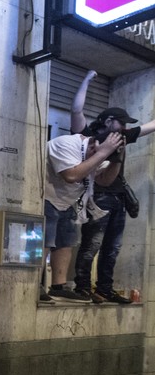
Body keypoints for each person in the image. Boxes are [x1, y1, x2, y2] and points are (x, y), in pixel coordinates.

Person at [70, 71, 155, 304]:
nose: (124, 127)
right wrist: (86, 80)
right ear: (108, 121)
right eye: (121, 123)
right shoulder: (89, 136)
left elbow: (150, 126)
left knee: (113, 247)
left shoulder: (123, 137)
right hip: (96, 196)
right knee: (91, 245)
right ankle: (82, 287)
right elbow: (76, 111)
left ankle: (104, 288)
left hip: (118, 198)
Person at [42, 122, 123, 302]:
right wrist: (103, 153)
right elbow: (71, 175)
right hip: (45, 196)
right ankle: (35, 286)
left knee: (65, 243)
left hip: (68, 202)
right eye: (102, 153)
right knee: (44, 241)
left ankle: (58, 287)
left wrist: (116, 159)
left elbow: (105, 181)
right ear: (94, 144)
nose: (103, 158)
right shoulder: (66, 144)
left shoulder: (99, 153)